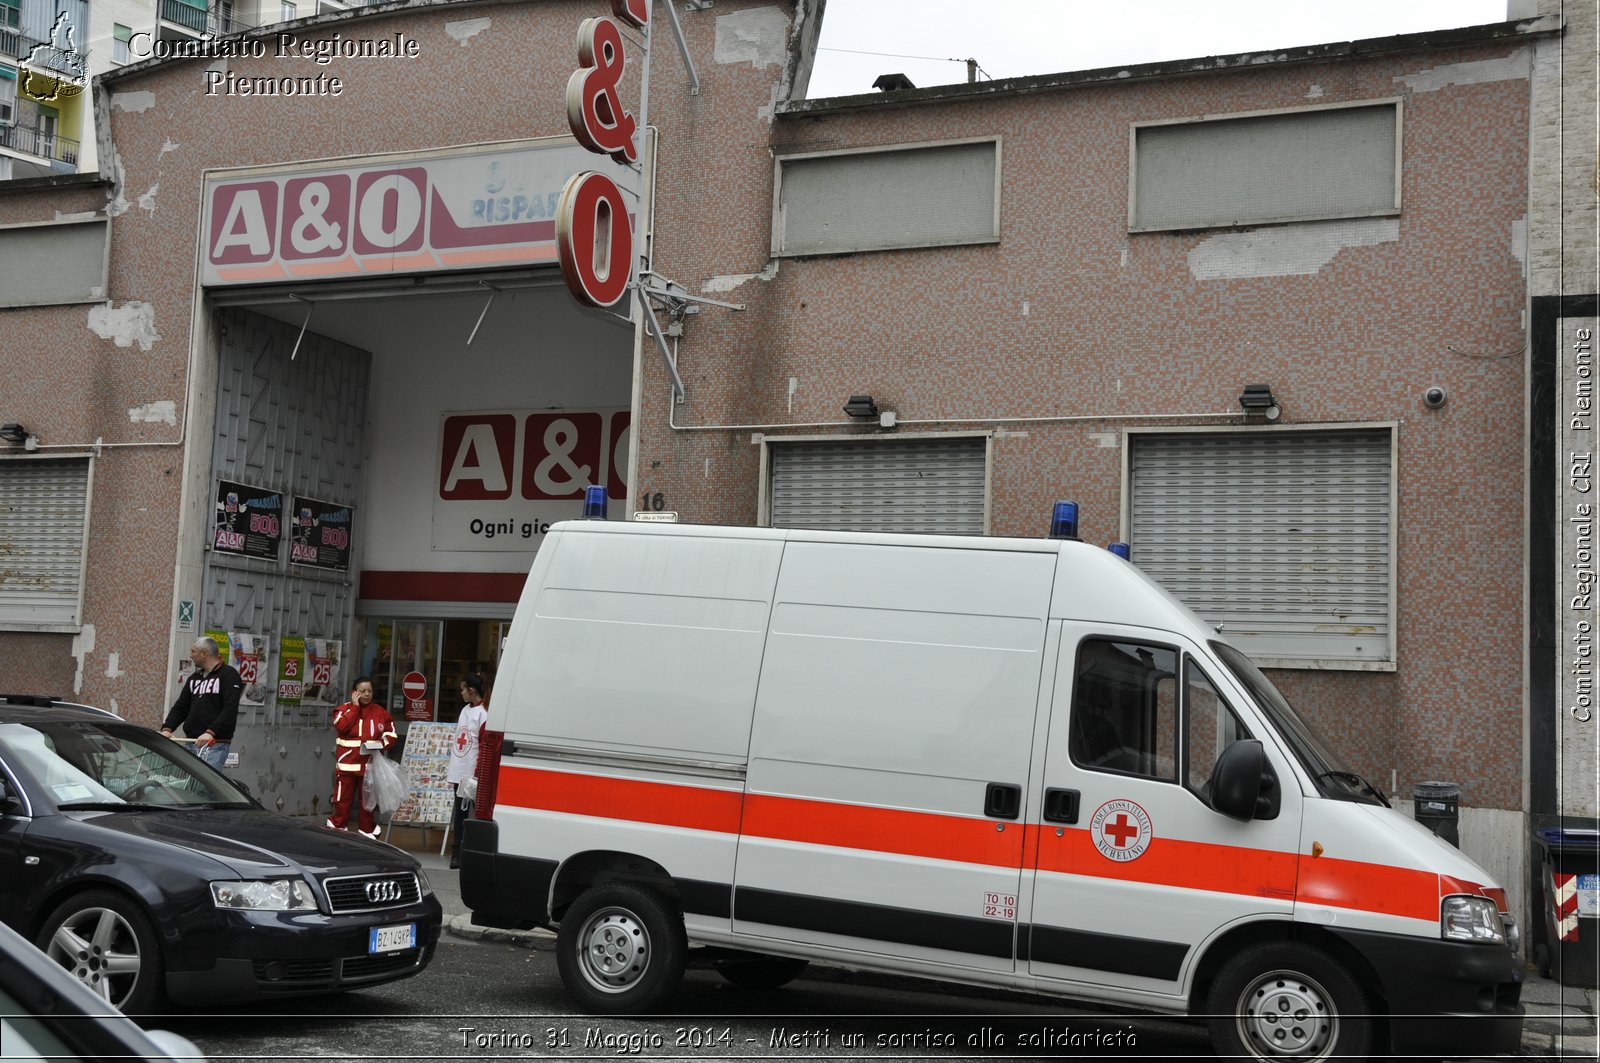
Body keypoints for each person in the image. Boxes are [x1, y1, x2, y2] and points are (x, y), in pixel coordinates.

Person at [326, 676, 397, 839]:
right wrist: (355, 708)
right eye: (363, 691)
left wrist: (380, 744)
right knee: (342, 802)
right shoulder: (342, 710)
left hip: (369, 766)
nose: (367, 694)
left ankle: (367, 833)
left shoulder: (381, 713)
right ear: (354, 693)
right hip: (346, 766)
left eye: (369, 691)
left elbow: (391, 734)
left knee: (368, 804)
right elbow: (341, 726)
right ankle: (338, 830)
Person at [160, 637, 243, 770]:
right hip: (191, 743)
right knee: (190, 787)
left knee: (204, 788)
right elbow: (181, 707)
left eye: (193, 652)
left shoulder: (229, 675)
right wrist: (167, 728)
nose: (190, 655)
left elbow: (230, 708)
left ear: (204, 653)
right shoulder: (194, 678)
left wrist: (211, 732)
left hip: (214, 744)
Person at [447, 673, 489, 869]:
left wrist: (477, 773)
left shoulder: (483, 714)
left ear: (471, 691)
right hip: (459, 770)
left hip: (472, 772)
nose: (461, 693)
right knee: (460, 813)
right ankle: (457, 852)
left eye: (463, 689)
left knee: (476, 813)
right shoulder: (465, 710)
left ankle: (473, 851)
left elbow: (482, 746)